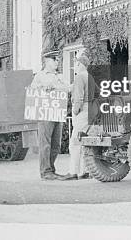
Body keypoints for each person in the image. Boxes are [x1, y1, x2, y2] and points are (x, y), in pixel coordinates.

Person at [30, 50, 71, 180]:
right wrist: (43, 86)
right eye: (55, 59)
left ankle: (51, 169)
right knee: (45, 143)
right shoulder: (40, 76)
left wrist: (54, 86)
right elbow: (32, 90)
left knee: (56, 144)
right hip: (45, 113)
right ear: (47, 61)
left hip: (57, 112)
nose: (57, 62)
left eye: (58, 60)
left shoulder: (60, 76)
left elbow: (68, 88)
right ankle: (45, 171)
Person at [64, 51, 91, 180]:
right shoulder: (89, 77)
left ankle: (73, 172)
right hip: (90, 112)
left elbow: (79, 97)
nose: (75, 65)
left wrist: (75, 111)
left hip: (82, 112)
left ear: (80, 64)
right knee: (85, 141)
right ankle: (84, 171)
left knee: (74, 143)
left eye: (76, 63)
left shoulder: (80, 77)